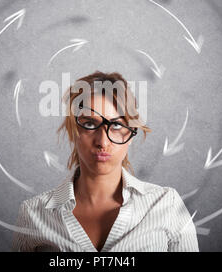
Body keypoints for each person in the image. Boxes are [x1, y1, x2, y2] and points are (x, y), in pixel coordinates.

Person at [11, 71, 199, 252]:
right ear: (73, 131)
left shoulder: (166, 205)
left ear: (132, 133)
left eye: (116, 125)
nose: (102, 142)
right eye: (90, 124)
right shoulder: (33, 214)